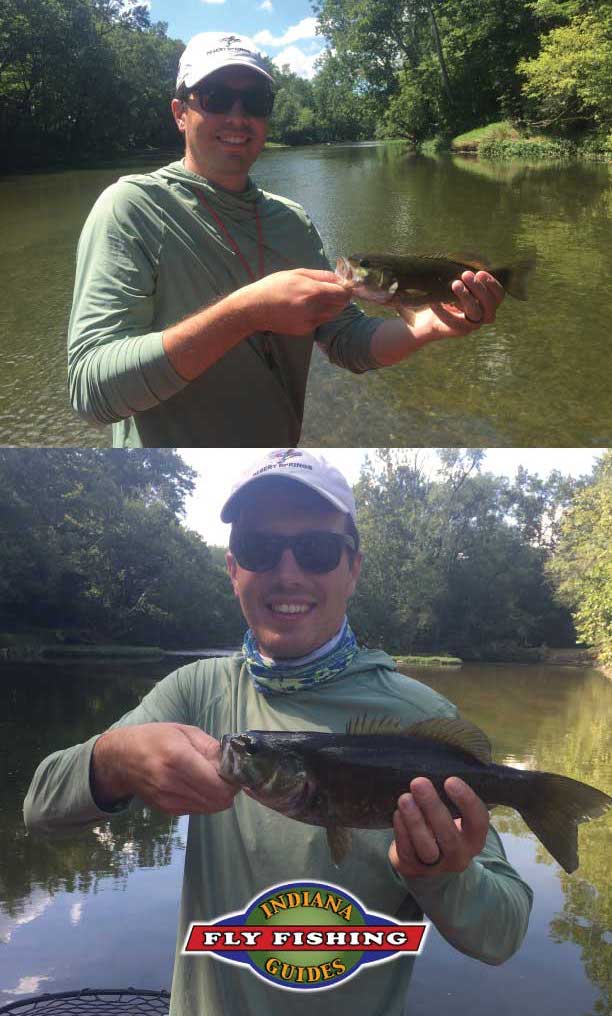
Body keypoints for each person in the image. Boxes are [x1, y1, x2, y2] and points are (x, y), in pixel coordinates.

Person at [24, 449, 533, 1016]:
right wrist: (113, 760)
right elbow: (39, 807)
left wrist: (444, 877)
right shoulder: (196, 693)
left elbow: (503, 932)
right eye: (260, 549)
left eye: (316, 550)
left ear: (354, 567)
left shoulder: (423, 716)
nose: (288, 573)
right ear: (233, 568)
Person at [67, 32, 505, 448]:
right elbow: (91, 391)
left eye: (255, 102)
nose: (238, 116)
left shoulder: (292, 221)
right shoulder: (130, 208)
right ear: (180, 112)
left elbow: (347, 340)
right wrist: (245, 313)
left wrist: (427, 328)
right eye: (217, 98)